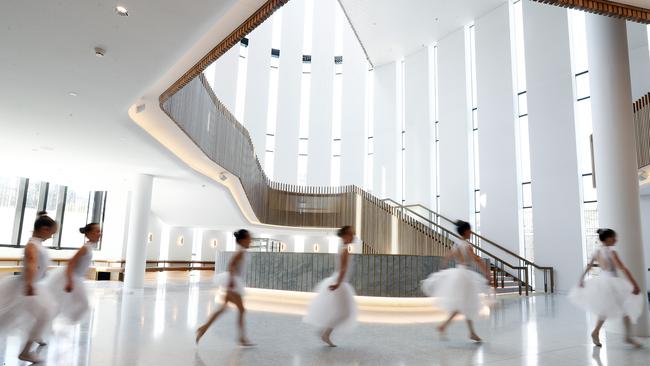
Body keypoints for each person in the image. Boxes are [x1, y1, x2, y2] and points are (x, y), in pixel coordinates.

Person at [569, 228, 644, 348]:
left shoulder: (596, 251)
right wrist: (634, 283)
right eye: (614, 237)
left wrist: (581, 279)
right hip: (612, 283)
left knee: (608, 309)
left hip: (603, 281)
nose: (616, 239)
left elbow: (589, 265)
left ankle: (597, 332)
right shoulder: (611, 252)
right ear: (608, 238)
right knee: (624, 307)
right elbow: (623, 268)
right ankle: (627, 337)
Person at [0, 211, 57, 364]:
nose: (51, 236)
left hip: (33, 285)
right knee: (45, 312)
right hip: (28, 285)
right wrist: (30, 284)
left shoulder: (36, 243)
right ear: (44, 229)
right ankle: (26, 352)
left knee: (42, 313)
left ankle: (35, 337)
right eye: (51, 232)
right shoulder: (32, 245)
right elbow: (32, 264)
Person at [421, 220, 491, 342]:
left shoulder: (456, 244)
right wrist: (486, 272)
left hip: (458, 273)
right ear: (465, 231)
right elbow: (476, 259)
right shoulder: (467, 245)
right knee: (466, 304)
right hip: (465, 276)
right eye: (470, 230)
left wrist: (443, 269)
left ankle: (467, 331)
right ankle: (450, 327)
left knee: (465, 304)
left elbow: (447, 257)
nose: (471, 232)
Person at [196, 229, 253, 347]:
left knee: (222, 309)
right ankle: (241, 338)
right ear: (242, 240)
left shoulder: (243, 251)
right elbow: (231, 265)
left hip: (233, 283)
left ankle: (203, 328)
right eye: (248, 238)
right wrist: (232, 281)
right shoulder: (241, 252)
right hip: (233, 284)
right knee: (241, 310)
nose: (250, 240)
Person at [304, 225, 358, 347]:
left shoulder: (342, 247)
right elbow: (343, 269)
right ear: (345, 235)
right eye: (351, 234)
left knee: (341, 311)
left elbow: (343, 268)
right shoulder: (344, 249)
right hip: (340, 283)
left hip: (339, 281)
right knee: (345, 313)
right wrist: (338, 284)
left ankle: (325, 333)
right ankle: (325, 333)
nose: (353, 236)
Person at [46, 222, 100, 323]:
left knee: (66, 303)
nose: (99, 234)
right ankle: (51, 323)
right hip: (71, 278)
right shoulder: (85, 248)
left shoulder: (89, 247)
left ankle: (52, 323)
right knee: (80, 304)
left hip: (77, 278)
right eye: (97, 231)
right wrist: (70, 281)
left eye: (99, 231)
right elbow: (71, 263)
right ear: (89, 234)